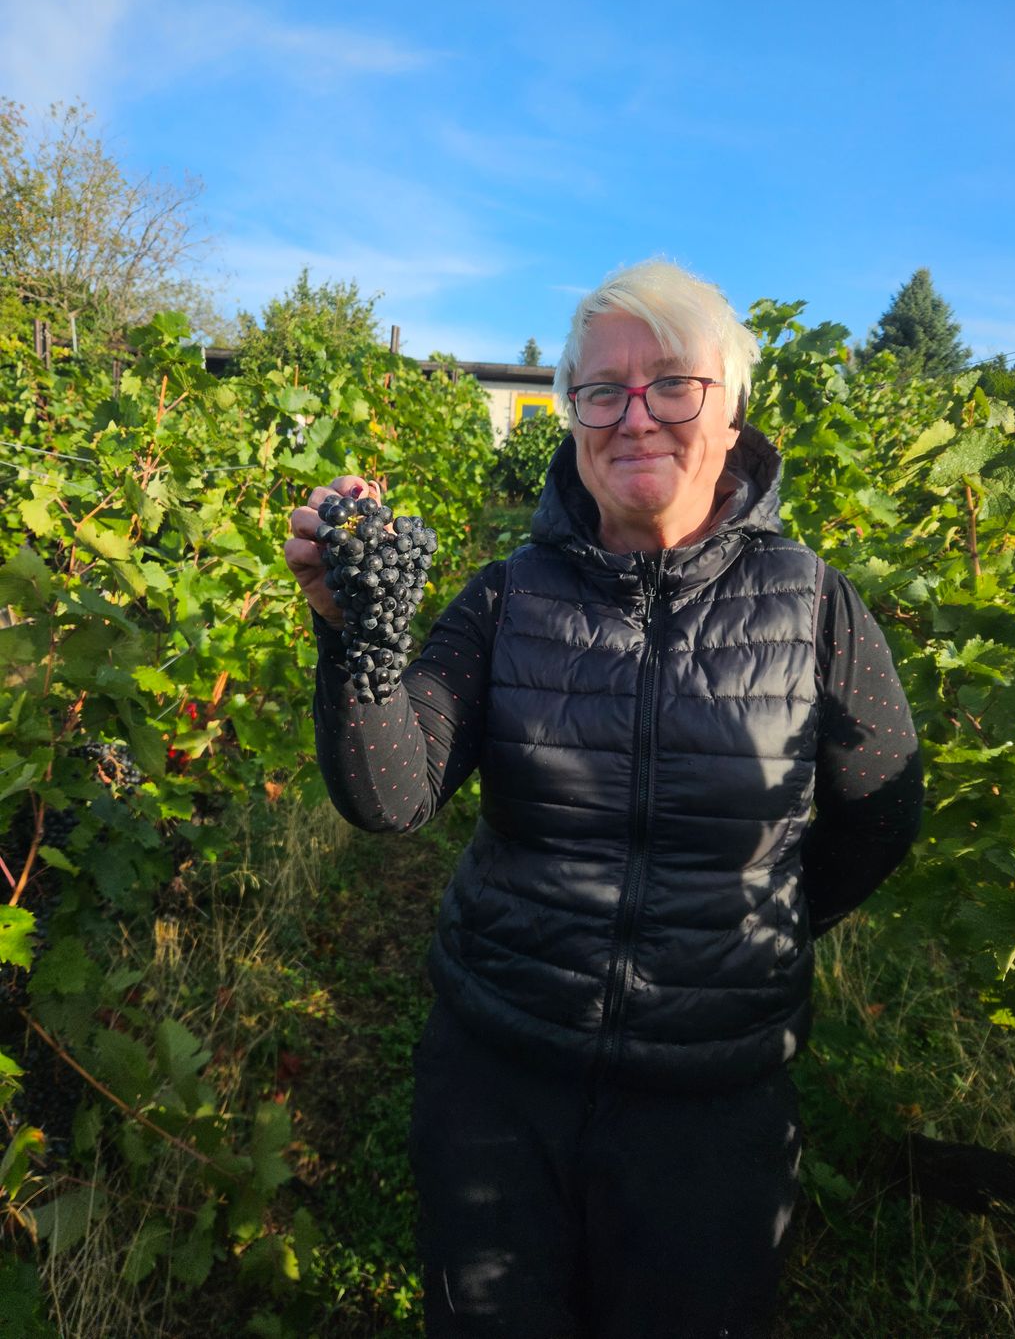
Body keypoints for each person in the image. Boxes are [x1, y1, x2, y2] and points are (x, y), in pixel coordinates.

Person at [285, 260, 924, 1338]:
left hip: (710, 1104)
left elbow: (879, 813)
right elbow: (394, 797)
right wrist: (354, 636)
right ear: (572, 415)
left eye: (673, 384)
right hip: (498, 1077)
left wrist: (747, 933)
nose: (636, 417)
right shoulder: (506, 599)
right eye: (600, 391)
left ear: (730, 413)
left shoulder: (813, 603)